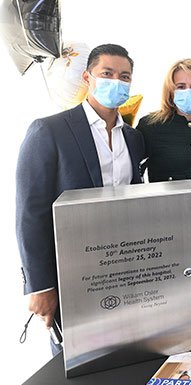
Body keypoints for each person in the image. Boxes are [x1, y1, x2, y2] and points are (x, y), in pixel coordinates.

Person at [15, 44, 144, 354]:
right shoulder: (49, 130)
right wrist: (40, 286)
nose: (117, 81)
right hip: (71, 275)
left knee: (124, 356)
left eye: (124, 76)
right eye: (107, 74)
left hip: (125, 269)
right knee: (78, 359)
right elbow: (30, 213)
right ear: (88, 77)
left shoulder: (134, 138)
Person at [136, 58, 191, 290]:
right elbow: (132, 174)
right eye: (180, 86)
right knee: (172, 292)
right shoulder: (150, 126)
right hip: (166, 226)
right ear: (170, 91)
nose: (188, 92)